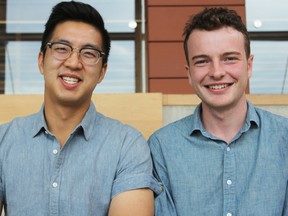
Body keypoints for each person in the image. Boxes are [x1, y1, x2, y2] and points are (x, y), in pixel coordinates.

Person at [0, 1, 162, 215]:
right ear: (41, 61)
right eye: (61, 49)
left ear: (102, 72)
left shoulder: (127, 146)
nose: (74, 62)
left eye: (88, 53)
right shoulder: (4, 140)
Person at [148, 7, 288, 216]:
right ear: (189, 73)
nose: (217, 72)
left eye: (229, 58)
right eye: (202, 61)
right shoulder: (161, 147)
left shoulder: (285, 138)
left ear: (249, 66)